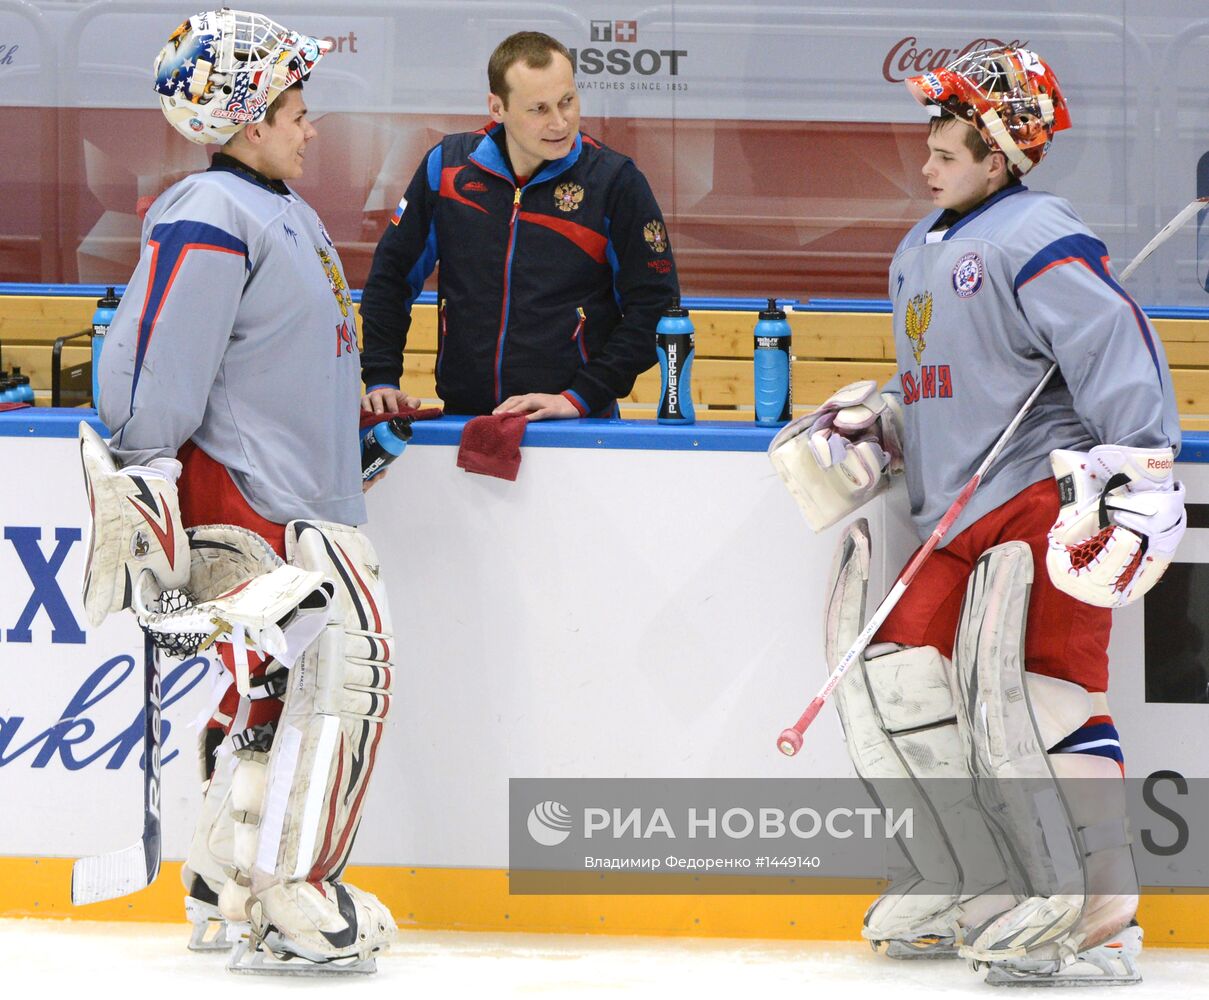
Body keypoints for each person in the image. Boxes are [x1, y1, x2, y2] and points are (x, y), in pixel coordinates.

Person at [770, 47, 1184, 986]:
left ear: (997, 155)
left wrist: (1143, 472)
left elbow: (1114, 350)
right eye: (928, 143)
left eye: (948, 148)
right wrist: (884, 427)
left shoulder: (1035, 234)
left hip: (1039, 502)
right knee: (907, 683)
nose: (926, 163)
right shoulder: (920, 250)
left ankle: (1099, 908)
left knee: (1042, 694)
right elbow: (958, 383)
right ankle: (991, 876)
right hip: (954, 516)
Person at [82, 8, 395, 972]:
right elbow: (158, 371)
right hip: (252, 500)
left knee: (274, 692)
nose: (311, 126)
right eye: (297, 109)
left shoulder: (280, 211)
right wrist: (143, 481)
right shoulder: (209, 213)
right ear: (250, 121)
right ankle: (294, 891)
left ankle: (227, 870)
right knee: (336, 676)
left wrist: (353, 435)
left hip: (304, 494)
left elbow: (278, 358)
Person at [359, 30, 679, 420]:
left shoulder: (614, 181)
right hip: (465, 418)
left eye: (568, 101)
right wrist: (380, 376)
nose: (560, 122)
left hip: (577, 424)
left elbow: (658, 308)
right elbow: (390, 277)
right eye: (538, 109)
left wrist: (581, 396)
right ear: (498, 108)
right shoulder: (447, 167)